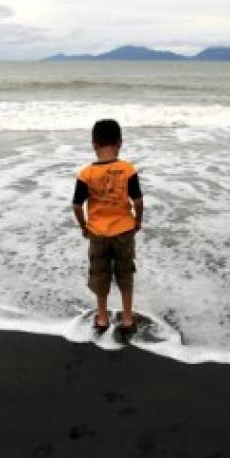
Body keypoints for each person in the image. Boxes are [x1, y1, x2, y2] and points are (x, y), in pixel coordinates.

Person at [72, 119, 144, 333]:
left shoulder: (86, 174)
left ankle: (102, 318)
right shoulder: (127, 169)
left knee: (100, 274)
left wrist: (83, 226)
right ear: (120, 143)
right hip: (124, 230)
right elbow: (138, 201)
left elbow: (77, 205)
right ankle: (128, 318)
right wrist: (137, 221)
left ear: (94, 144)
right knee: (125, 273)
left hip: (97, 232)